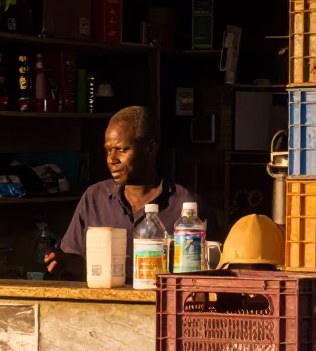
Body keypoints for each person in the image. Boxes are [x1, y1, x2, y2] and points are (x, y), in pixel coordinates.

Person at [45, 105, 206, 280]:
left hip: (161, 306)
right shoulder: (95, 198)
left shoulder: (186, 207)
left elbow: (212, 274)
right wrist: (65, 263)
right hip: (106, 306)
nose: (111, 160)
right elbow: (79, 262)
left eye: (121, 150)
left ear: (150, 148)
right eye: (108, 150)